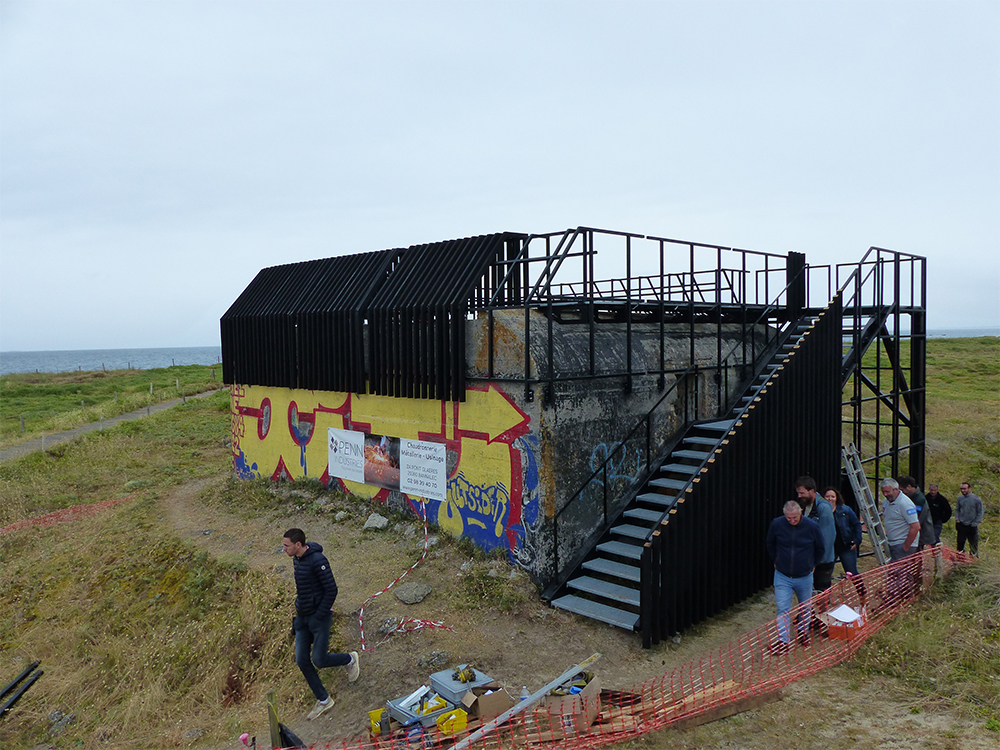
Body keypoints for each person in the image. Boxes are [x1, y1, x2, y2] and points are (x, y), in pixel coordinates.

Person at [282, 528, 360, 720]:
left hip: (320, 617)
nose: (283, 549)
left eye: (286, 545)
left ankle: (350, 659)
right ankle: (324, 700)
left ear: (298, 544)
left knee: (319, 659)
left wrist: (319, 615)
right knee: (301, 660)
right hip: (302, 618)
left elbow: (331, 590)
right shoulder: (296, 560)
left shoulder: (318, 560)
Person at [766, 500, 825, 649]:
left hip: (804, 576)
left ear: (800, 513)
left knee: (805, 607)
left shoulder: (812, 527)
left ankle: (802, 633)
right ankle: (783, 640)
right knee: (782, 608)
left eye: (794, 517)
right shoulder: (777, 524)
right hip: (782, 575)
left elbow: (820, 548)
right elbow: (770, 544)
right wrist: (777, 561)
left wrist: (812, 565)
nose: (792, 521)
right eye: (788, 518)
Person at [796, 476, 836, 591]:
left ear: (812, 491)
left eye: (802, 493)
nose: (799, 496)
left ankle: (824, 609)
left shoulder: (823, 508)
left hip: (822, 561)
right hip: (810, 558)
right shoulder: (806, 505)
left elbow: (827, 538)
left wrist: (816, 561)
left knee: (822, 591)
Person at [824, 487, 863, 577]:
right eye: (827, 496)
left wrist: (857, 540)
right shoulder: (821, 511)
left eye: (832, 496)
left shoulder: (846, 510)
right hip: (830, 548)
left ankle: (862, 591)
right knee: (826, 574)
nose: (830, 499)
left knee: (853, 573)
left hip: (846, 547)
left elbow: (856, 524)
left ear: (837, 497)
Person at [879, 478, 920, 561]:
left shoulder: (905, 504)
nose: (885, 494)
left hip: (901, 544)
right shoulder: (887, 501)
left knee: (900, 572)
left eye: (887, 492)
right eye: (883, 492)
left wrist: (906, 547)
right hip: (892, 542)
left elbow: (915, 526)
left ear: (896, 489)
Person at [897, 475, 935, 552]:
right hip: (915, 532)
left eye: (902, 489)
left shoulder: (919, 500)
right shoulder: (912, 497)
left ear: (909, 487)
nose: (901, 492)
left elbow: (917, 519)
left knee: (915, 554)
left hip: (919, 533)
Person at [954, 482, 984, 556]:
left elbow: (980, 512)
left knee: (973, 545)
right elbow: (957, 509)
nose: (963, 491)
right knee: (960, 544)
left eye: (964, 489)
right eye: (961, 489)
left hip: (972, 525)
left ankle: (974, 561)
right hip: (961, 524)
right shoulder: (960, 498)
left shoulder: (976, 499)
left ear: (969, 489)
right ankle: (960, 559)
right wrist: (957, 519)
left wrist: (975, 523)